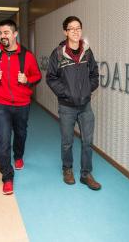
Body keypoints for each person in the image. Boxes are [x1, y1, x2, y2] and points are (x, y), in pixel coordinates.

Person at [0, 19, 41, 195]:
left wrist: (27, 80)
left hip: (22, 104)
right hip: (0, 104)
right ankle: (7, 176)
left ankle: (19, 156)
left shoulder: (27, 56)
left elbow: (37, 76)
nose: (2, 36)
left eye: (6, 33)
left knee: (21, 134)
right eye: (0, 33)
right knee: (3, 139)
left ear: (15, 34)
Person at [46, 16, 101, 191]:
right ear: (65, 32)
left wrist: (87, 90)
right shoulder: (58, 53)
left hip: (85, 106)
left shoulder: (87, 51)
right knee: (67, 141)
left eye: (78, 28)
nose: (76, 31)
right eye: (72, 28)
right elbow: (51, 78)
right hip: (67, 107)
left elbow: (94, 74)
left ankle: (86, 174)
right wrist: (66, 94)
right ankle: (67, 169)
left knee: (87, 141)